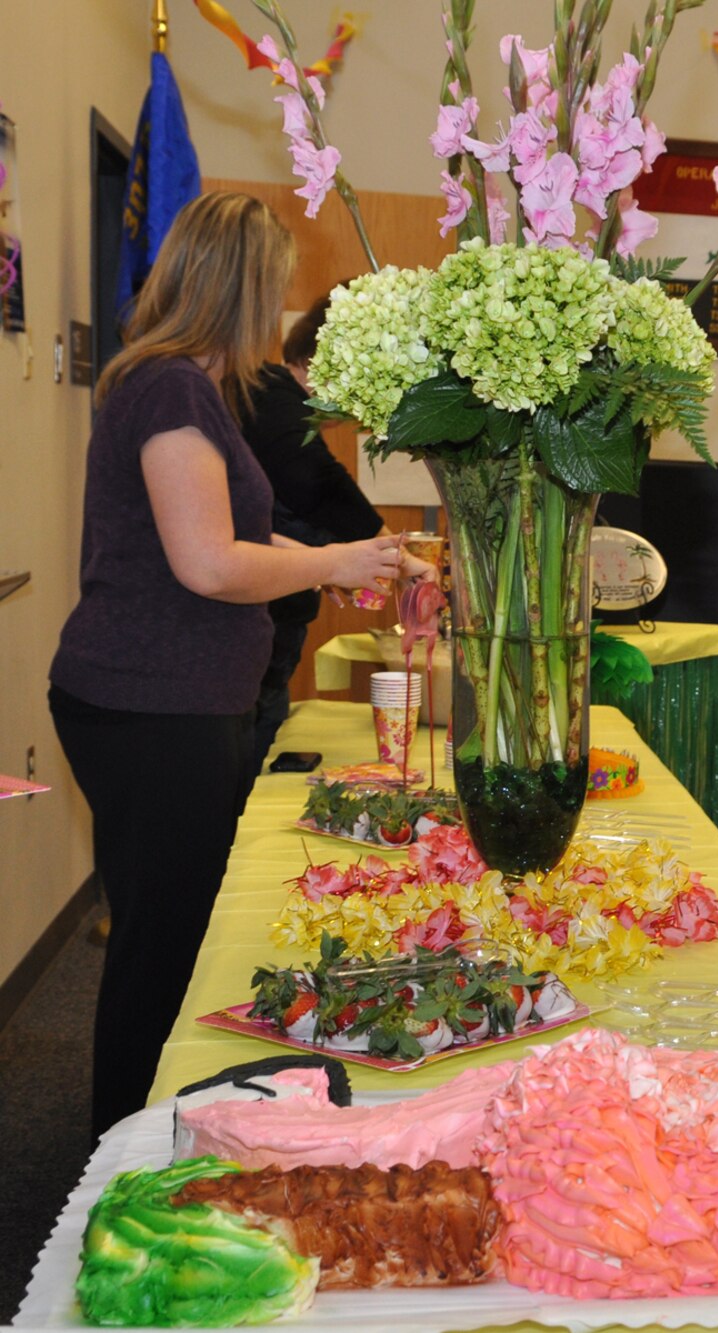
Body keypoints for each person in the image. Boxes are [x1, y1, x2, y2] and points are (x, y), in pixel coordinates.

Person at [48, 192, 414, 1138]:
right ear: (240, 289)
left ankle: (145, 1127)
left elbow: (237, 547)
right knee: (160, 947)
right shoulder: (172, 387)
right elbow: (207, 562)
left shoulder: (190, 387)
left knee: (171, 932)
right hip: (149, 707)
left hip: (176, 701)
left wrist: (324, 566)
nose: (280, 311)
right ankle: (120, 1152)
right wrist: (336, 562)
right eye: (275, 289)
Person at [242, 291, 391, 769]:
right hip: (249, 640)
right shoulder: (271, 397)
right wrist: (386, 544)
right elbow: (318, 484)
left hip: (271, 633)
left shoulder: (274, 397)